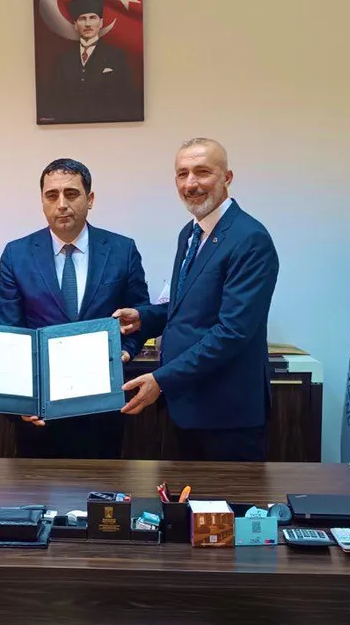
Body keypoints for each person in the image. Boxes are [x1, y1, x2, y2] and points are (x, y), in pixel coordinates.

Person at [113, 138, 279, 461]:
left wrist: (162, 379)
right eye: (182, 174)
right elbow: (187, 307)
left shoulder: (250, 239)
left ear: (227, 178)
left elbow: (232, 332)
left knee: (225, 497)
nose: (191, 183)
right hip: (187, 407)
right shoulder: (190, 234)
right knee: (186, 495)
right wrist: (146, 318)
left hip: (227, 417)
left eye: (202, 172)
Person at [0, 157, 149, 458]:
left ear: (90, 199)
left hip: (102, 406)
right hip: (40, 411)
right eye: (52, 195)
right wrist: (20, 401)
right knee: (37, 486)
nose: (62, 204)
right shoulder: (16, 254)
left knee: (102, 486)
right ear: (42, 201)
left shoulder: (122, 250)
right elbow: (8, 328)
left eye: (72, 193)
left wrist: (127, 350)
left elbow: (139, 313)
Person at [44, 0, 140, 124]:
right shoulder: (64, 60)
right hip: (71, 127)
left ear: (101, 23)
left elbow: (126, 99)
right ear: (76, 25)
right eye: (82, 19)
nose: (88, 24)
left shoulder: (116, 57)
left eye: (92, 18)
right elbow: (56, 100)